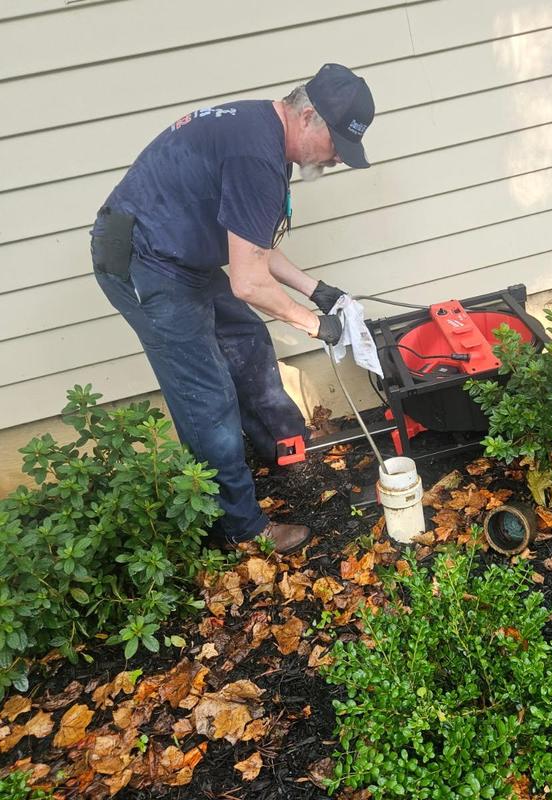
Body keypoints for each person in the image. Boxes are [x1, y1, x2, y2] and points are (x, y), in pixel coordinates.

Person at [89, 64, 375, 553]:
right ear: (309, 117)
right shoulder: (254, 154)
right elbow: (247, 281)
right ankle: (240, 528)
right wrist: (315, 324)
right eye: (337, 146)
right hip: (145, 262)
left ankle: (283, 453)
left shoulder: (264, 137)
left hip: (182, 256)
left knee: (246, 340)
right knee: (207, 395)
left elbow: (254, 245)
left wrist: (318, 290)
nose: (335, 160)